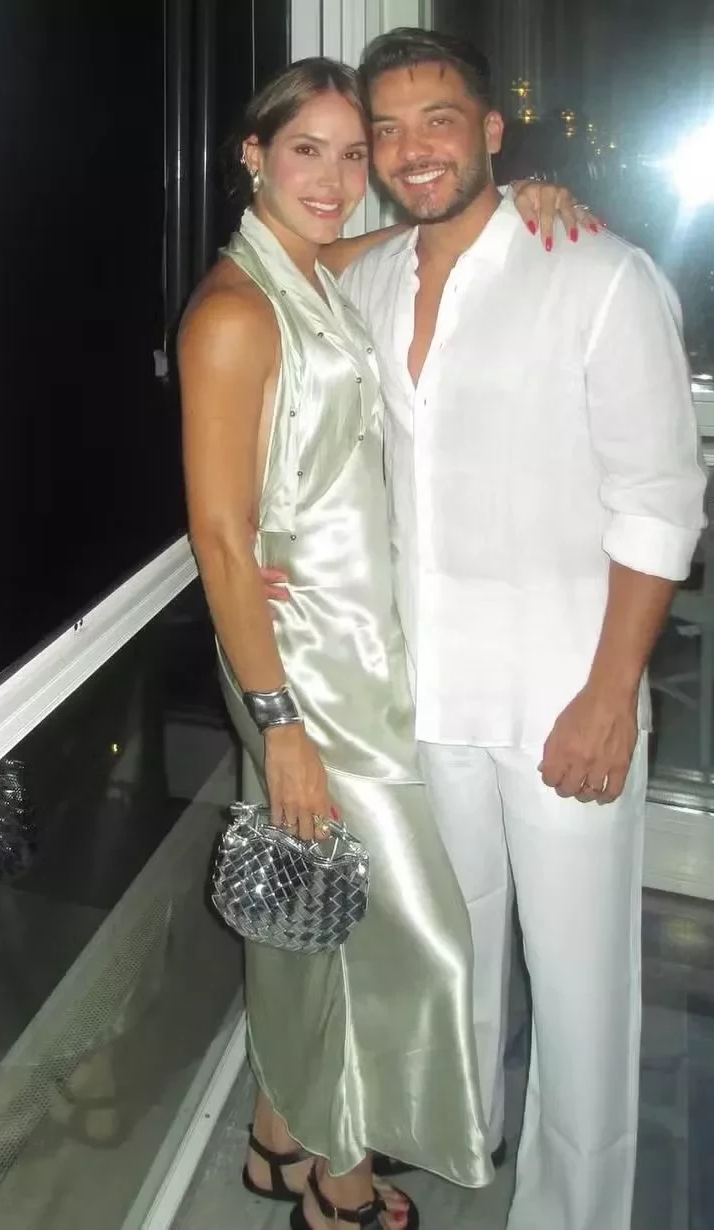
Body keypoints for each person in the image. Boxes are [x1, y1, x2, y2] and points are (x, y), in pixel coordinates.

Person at [263, 30, 707, 1230]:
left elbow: (661, 504)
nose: (412, 151)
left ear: (492, 131)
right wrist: (266, 552)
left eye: (439, 121)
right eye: (387, 132)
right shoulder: (368, 281)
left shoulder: (598, 275)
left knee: (581, 989)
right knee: (448, 949)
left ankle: (575, 1208)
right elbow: (292, 324)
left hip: (567, 694)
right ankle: (458, 1134)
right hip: (425, 695)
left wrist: (611, 696)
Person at [181, 57, 595, 1230]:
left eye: (352, 153)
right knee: (403, 930)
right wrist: (279, 724)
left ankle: (278, 1135)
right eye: (305, 150)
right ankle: (340, 1179)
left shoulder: (311, 269)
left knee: (318, 900)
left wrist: (517, 200)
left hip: (358, 646)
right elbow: (221, 539)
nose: (336, 178)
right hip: (305, 670)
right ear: (253, 156)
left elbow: (425, 233)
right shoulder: (233, 313)